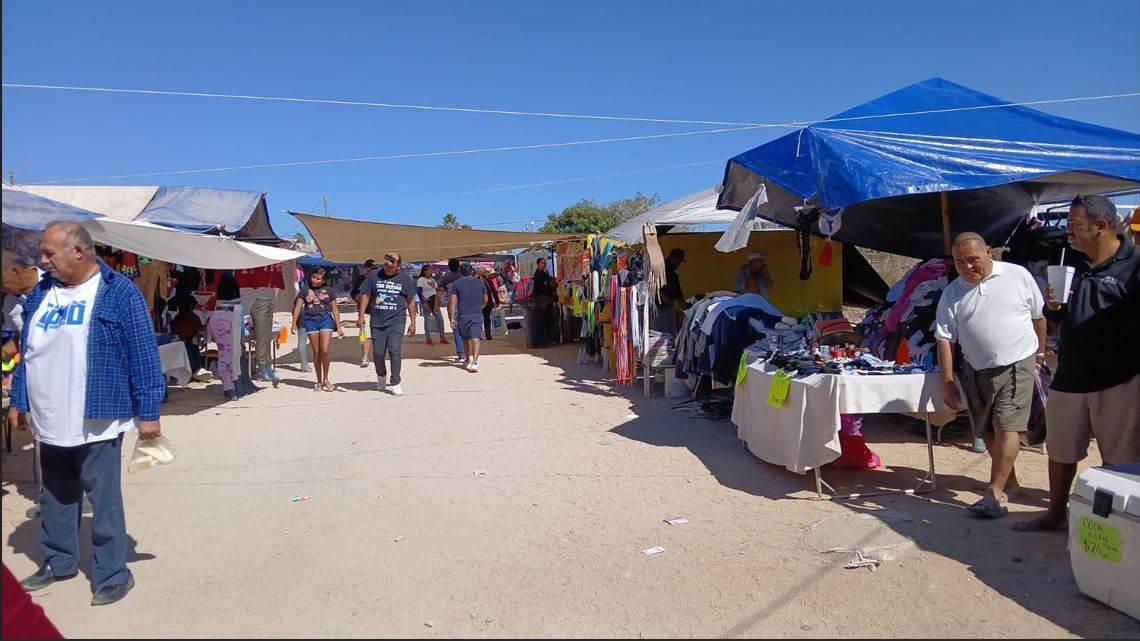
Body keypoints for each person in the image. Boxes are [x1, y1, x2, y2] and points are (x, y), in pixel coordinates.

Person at [8, 221, 164, 607]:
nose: (42, 261)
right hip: (49, 415)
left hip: (97, 415)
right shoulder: (42, 291)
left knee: (103, 498)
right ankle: (59, 561)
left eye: (49, 253)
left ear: (78, 252)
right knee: (56, 495)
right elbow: (28, 349)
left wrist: (149, 412)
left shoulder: (118, 292)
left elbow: (143, 354)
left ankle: (112, 572)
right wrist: (20, 399)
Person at [1015, 195, 1140, 532]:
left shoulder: (1134, 265)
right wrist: (1054, 308)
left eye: (1074, 226)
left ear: (1101, 227)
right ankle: (1056, 513)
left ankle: (1115, 523)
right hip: (1069, 375)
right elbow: (1060, 317)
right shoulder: (1073, 261)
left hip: (1118, 379)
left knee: (1119, 458)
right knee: (1061, 449)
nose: (1068, 232)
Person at [934, 233, 1046, 519]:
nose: (967, 267)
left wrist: (1041, 355)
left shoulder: (1017, 275)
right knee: (987, 431)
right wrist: (947, 379)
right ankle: (1011, 483)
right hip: (976, 369)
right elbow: (945, 338)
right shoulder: (952, 292)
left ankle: (993, 495)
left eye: (973, 259)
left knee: (1007, 425)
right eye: (960, 262)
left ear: (988, 252)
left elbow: (1039, 318)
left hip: (1018, 362)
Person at [359, 252, 417, 396]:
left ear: (398, 266)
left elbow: (410, 301)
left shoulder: (405, 279)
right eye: (386, 262)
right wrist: (360, 316)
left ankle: (395, 382)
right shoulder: (374, 276)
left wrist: (413, 322)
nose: (387, 265)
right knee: (378, 353)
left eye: (391, 263)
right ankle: (381, 376)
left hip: (397, 321)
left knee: (394, 350)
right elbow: (365, 295)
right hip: (377, 321)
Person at [292, 267, 343, 392]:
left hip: (325, 319)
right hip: (310, 321)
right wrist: (293, 323)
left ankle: (326, 379)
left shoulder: (330, 291)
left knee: (325, 350)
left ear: (324, 280)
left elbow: (335, 310)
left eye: (318, 278)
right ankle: (319, 381)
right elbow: (298, 307)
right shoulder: (304, 290)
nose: (314, 280)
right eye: (313, 277)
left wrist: (339, 326)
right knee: (317, 353)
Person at [207, 272, 244, 401]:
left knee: (226, 355)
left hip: (221, 317)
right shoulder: (232, 284)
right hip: (227, 318)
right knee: (228, 355)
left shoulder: (221, 285)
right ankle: (229, 388)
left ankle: (229, 386)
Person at [449, 263, 488, 372]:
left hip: (462, 315)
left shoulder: (456, 284)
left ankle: (467, 359)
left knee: (465, 339)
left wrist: (452, 317)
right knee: (475, 337)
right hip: (476, 314)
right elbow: (486, 300)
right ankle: (475, 362)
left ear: (461, 272)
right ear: (472, 271)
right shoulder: (480, 283)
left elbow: (452, 302)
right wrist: (480, 307)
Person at [436, 258, 466, 363]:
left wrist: (436, 304)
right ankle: (468, 352)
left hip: (451, 306)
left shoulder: (446, 278)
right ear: (459, 266)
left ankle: (461, 354)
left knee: (456, 329)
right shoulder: (463, 276)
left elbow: (439, 293)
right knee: (466, 328)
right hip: (466, 305)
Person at [351, 259, 376, 368]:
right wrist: (357, 297)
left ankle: (377, 355)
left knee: (377, 336)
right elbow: (353, 293)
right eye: (366, 270)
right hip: (364, 312)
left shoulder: (378, 280)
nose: (368, 272)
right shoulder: (360, 279)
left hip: (377, 312)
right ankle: (364, 356)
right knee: (363, 335)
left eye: (370, 270)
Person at [417, 265, 448, 346]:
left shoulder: (433, 280)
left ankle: (442, 337)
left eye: (432, 270)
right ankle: (428, 338)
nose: (432, 272)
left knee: (440, 319)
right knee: (427, 320)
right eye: (430, 271)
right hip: (427, 300)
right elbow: (419, 293)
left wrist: (437, 302)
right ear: (425, 271)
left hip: (434, 300)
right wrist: (424, 303)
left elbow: (436, 290)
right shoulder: (421, 280)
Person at [479, 266, 503, 341]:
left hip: (478, 303)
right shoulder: (488, 281)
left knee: (478, 319)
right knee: (487, 319)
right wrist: (497, 302)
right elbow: (494, 292)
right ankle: (488, 335)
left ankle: (478, 334)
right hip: (488, 303)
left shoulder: (476, 281)